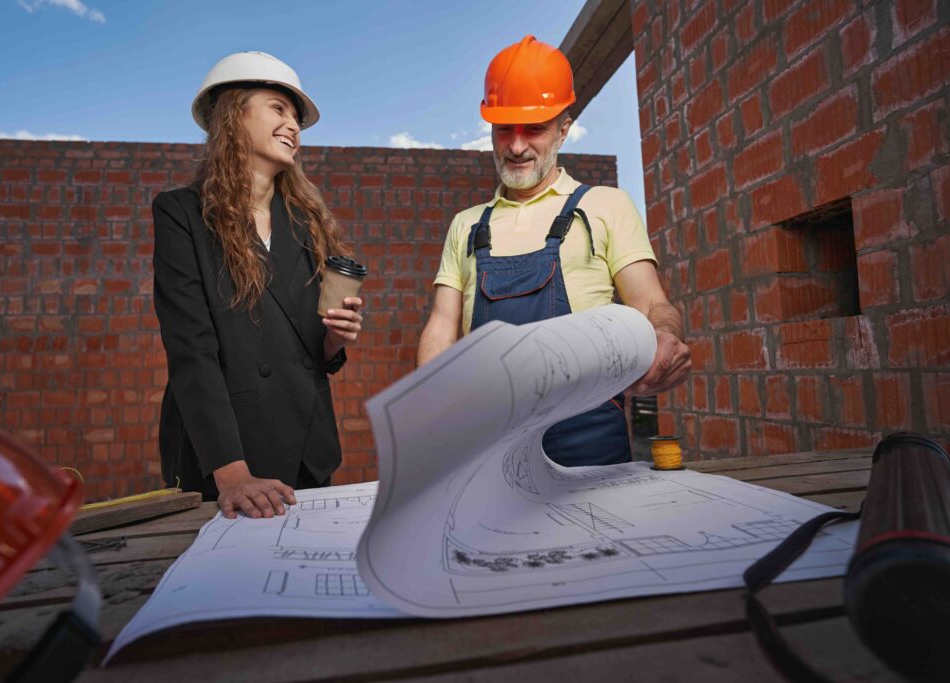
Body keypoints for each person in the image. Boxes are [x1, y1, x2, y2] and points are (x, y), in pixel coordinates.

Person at [417, 36, 690, 466]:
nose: (517, 146)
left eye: (535, 128)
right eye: (505, 129)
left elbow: (652, 303)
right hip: (491, 444)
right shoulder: (468, 225)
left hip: (591, 441)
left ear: (564, 128)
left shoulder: (604, 206)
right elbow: (441, 328)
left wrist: (664, 337)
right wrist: (433, 404)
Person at [153, 51, 364, 519]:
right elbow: (192, 351)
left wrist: (333, 338)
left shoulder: (307, 223)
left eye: (297, 117)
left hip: (307, 449)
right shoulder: (181, 215)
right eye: (278, 108)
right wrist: (231, 472)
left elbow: (310, 351)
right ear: (233, 114)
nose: (293, 125)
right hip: (227, 456)